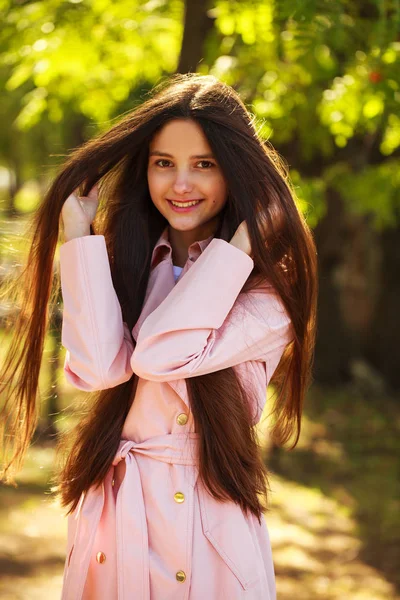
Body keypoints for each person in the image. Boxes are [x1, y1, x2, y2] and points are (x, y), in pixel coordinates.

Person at [0, 73, 318, 599]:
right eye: (163, 163)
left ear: (236, 172)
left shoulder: (268, 289)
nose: (181, 184)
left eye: (205, 165)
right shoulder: (135, 261)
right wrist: (79, 235)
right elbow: (101, 369)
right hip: (118, 514)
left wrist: (237, 253)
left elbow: (161, 354)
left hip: (207, 526)